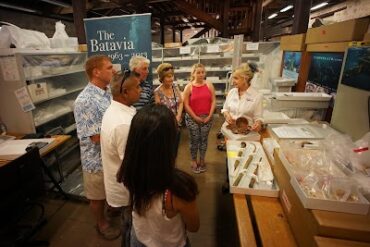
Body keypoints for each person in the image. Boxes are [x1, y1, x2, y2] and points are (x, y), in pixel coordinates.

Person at [117, 104, 200, 247]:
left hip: (138, 239)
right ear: (168, 143)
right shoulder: (180, 188)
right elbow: (193, 227)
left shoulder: (129, 171)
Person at [74, 55, 120, 240]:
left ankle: (111, 209)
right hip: (96, 159)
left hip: (110, 154)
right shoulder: (85, 100)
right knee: (97, 195)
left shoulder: (107, 91)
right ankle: (101, 224)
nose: (114, 70)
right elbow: (95, 137)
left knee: (109, 188)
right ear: (96, 72)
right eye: (109, 68)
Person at [100, 70, 141, 245]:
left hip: (120, 182)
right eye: (137, 87)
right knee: (131, 227)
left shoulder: (119, 110)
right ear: (124, 92)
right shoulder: (123, 123)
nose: (141, 90)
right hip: (126, 189)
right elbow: (131, 164)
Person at [183, 63, 216, 174]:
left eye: (203, 72)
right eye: (198, 72)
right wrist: (195, 117)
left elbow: (213, 101)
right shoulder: (189, 87)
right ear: (193, 74)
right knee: (194, 140)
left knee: (204, 140)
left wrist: (210, 116)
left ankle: (202, 160)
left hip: (207, 118)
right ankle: (193, 160)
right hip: (192, 119)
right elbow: (186, 104)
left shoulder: (209, 85)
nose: (201, 74)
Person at [222, 63, 263, 132]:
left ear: (245, 79)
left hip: (246, 133)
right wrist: (227, 116)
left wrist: (258, 124)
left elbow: (258, 117)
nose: (233, 81)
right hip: (230, 130)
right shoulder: (232, 92)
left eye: (236, 78)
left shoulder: (257, 96)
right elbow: (225, 109)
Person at [154, 63, 183, 154]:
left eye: (172, 76)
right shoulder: (157, 92)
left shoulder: (175, 87)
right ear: (162, 78)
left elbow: (181, 102)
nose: (171, 78)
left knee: (175, 148)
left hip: (176, 124)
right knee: (165, 149)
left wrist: (178, 116)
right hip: (164, 125)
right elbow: (159, 110)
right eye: (168, 76)